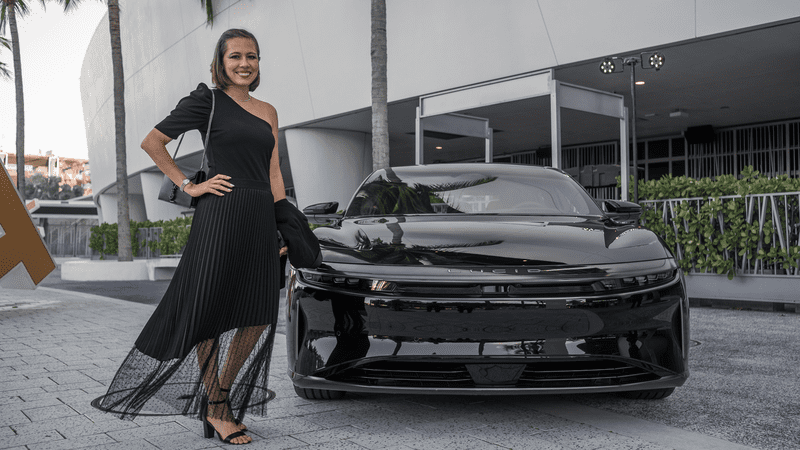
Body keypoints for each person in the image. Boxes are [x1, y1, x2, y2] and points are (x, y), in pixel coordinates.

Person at [92, 29, 287, 445]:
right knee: (208, 309)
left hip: (258, 216)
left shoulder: (268, 110)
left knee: (258, 312)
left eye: (252, 56)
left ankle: (219, 395)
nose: (244, 64)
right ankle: (216, 406)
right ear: (220, 62)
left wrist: (282, 221)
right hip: (220, 215)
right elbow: (152, 142)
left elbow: (274, 171)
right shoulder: (206, 101)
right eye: (235, 56)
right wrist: (188, 185)